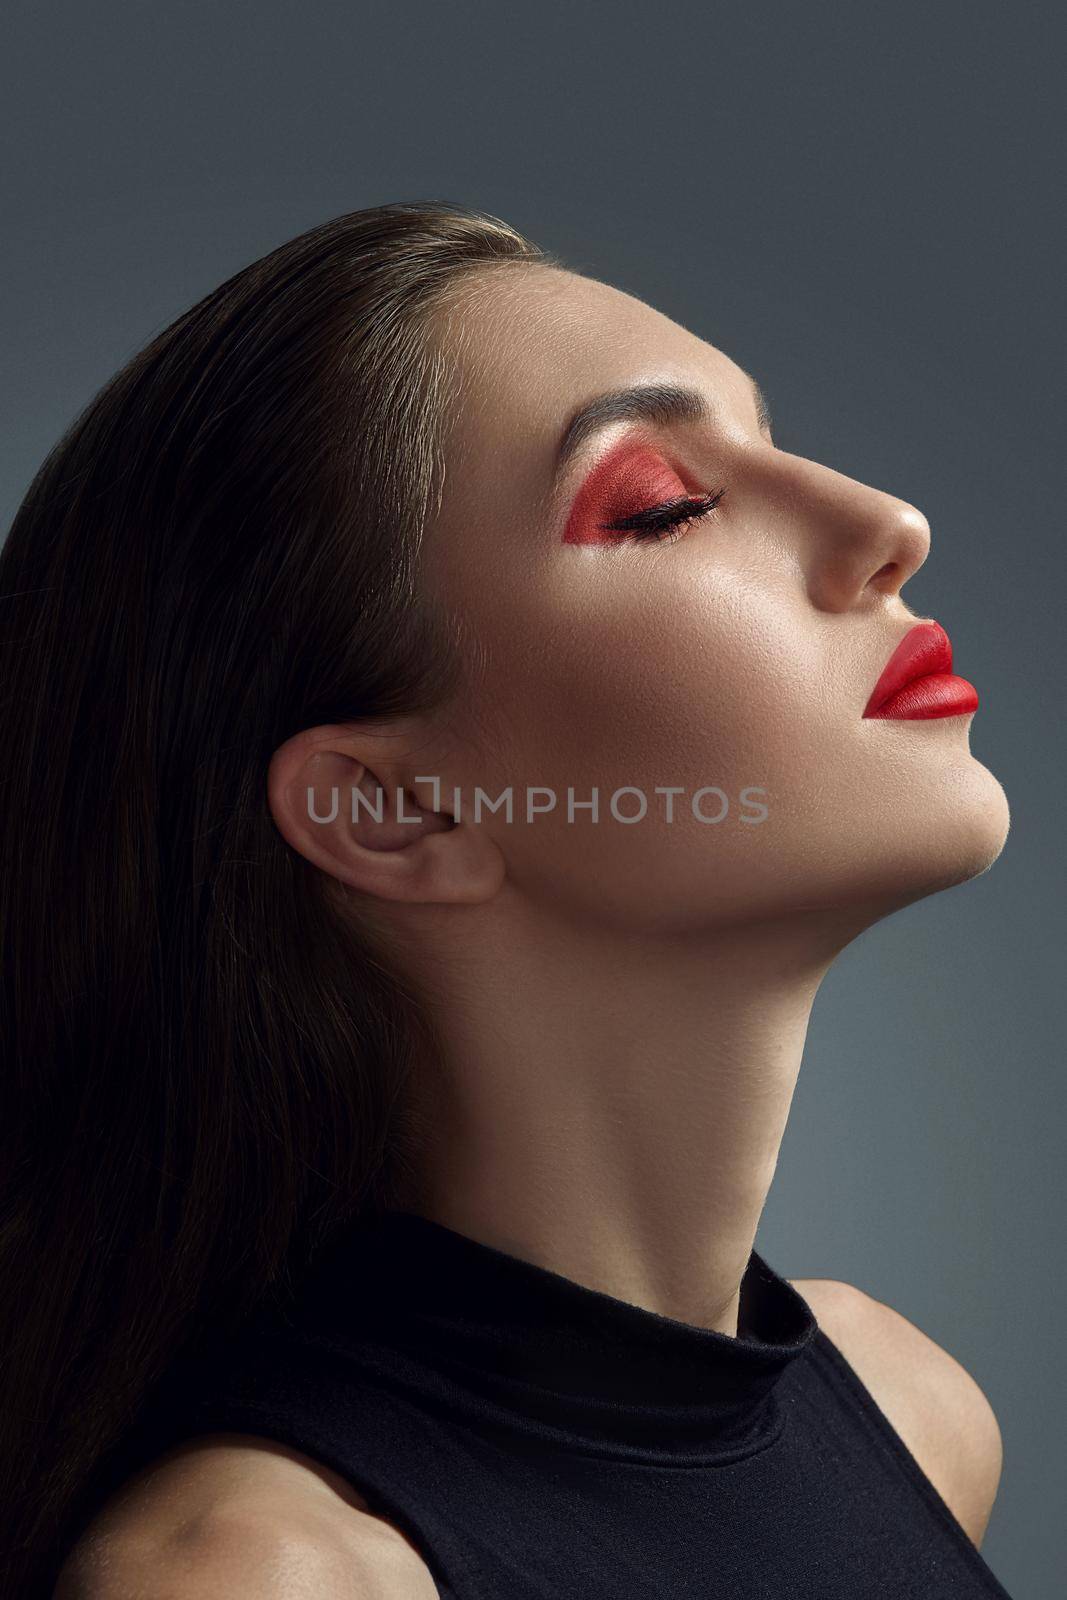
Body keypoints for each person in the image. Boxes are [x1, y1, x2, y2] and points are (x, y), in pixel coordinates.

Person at [0, 202, 1012, 1598]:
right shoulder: (265, 1575)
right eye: (665, 505)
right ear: (395, 808)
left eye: (772, 439)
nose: (887, 525)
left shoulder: (915, 1416)